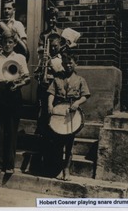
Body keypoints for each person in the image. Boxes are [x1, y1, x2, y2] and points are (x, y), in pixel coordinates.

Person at [0, 31, 30, 174]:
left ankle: (10, 165)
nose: (7, 45)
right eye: (5, 42)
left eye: (10, 42)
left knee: (12, 130)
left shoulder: (20, 57)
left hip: (13, 93)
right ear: (1, 43)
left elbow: (27, 78)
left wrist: (18, 85)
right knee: (0, 130)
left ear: (15, 43)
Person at [46, 53, 90, 181]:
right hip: (59, 113)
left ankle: (67, 169)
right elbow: (51, 93)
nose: (68, 65)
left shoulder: (80, 80)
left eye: (70, 63)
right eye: (65, 63)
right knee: (58, 144)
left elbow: (85, 95)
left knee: (69, 144)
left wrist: (77, 103)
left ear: (75, 63)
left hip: (72, 114)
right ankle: (59, 168)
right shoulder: (57, 78)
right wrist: (50, 104)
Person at [34, 33, 64, 136]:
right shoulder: (44, 57)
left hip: (54, 88)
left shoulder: (62, 60)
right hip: (43, 86)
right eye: (51, 46)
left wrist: (50, 64)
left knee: (52, 111)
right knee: (42, 111)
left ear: (60, 45)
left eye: (55, 46)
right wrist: (38, 73)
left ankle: (52, 133)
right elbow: (36, 72)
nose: (53, 48)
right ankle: (42, 133)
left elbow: (61, 76)